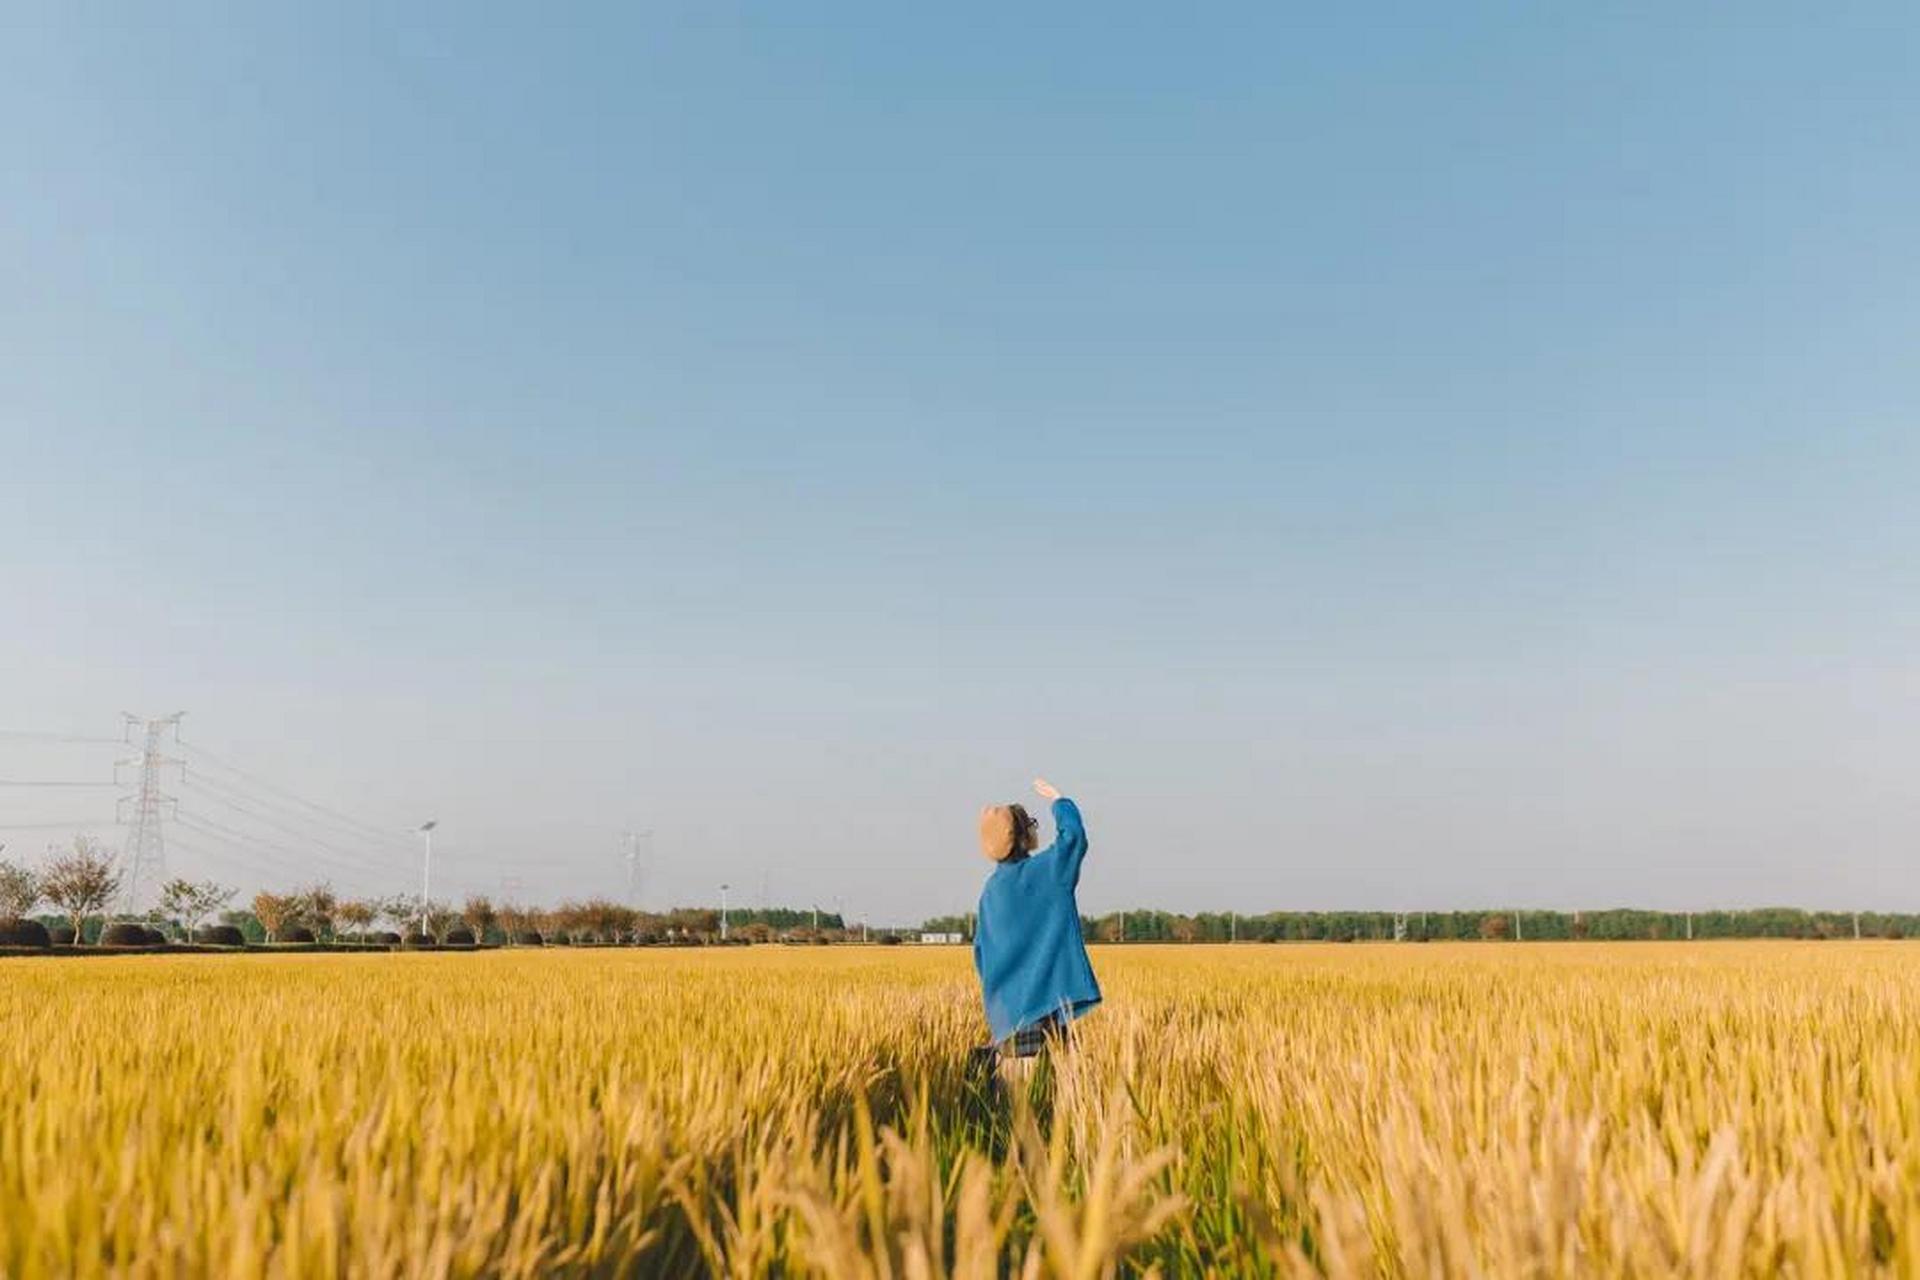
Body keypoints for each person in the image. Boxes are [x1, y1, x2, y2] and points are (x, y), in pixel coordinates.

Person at [972, 777, 1101, 1058]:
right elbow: (1073, 838)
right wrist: (1058, 801)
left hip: (1006, 1028)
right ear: (1021, 836)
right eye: (1031, 823)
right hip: (1046, 1020)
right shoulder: (1047, 872)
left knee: (1018, 1101)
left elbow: (981, 957)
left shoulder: (988, 894)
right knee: (1053, 1098)